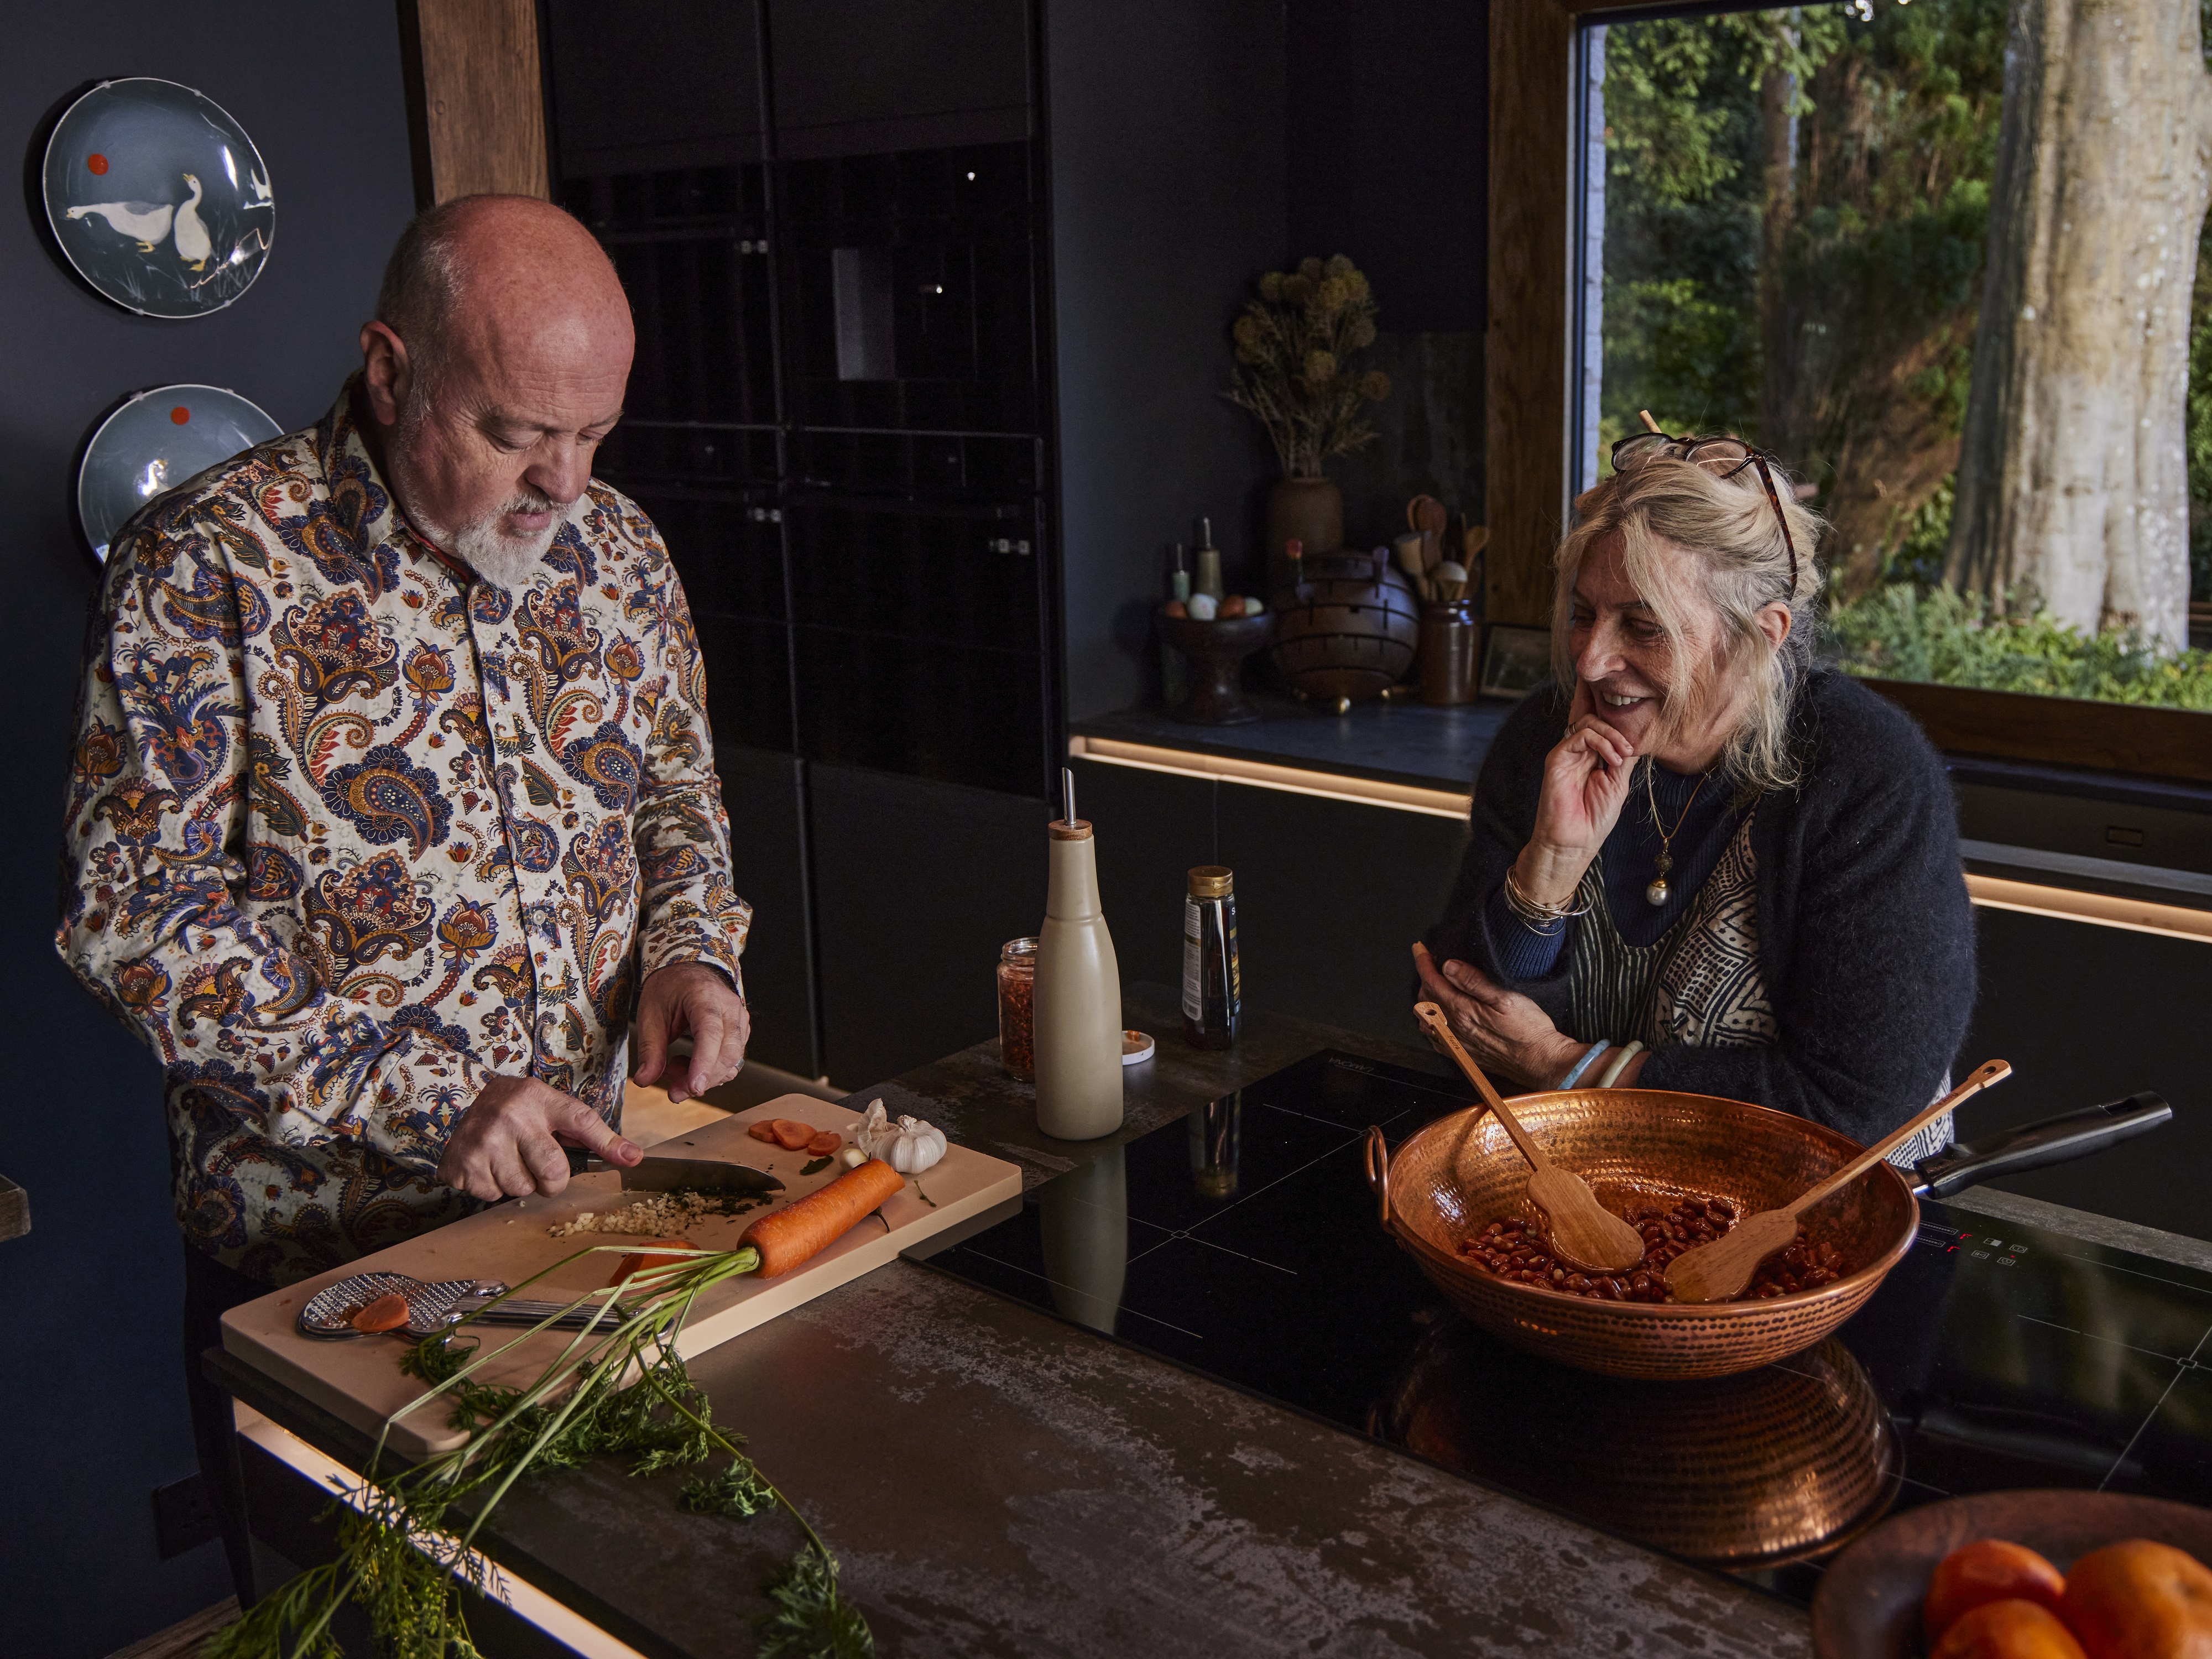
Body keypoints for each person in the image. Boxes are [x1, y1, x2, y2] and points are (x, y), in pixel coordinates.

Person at [56, 195, 752, 1598]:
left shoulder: (619, 554)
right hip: (317, 1272)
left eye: (593, 434)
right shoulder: (208, 565)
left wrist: (691, 955)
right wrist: (434, 1099)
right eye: (515, 433)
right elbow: (143, 922)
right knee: (361, 1627)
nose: (565, 482)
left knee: (580, 1612)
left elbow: (677, 800)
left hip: (576, 1234)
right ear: (391, 372)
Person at [1418, 434, 1975, 1150]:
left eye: (1643, 626)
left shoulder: (1867, 776)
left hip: (1832, 1219)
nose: (1591, 660)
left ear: (1760, 636)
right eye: (1584, 613)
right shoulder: (1549, 737)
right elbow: (1456, 1018)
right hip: (1600, 1185)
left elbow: (1853, 1106)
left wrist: (1568, 1067)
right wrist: (1547, 870)